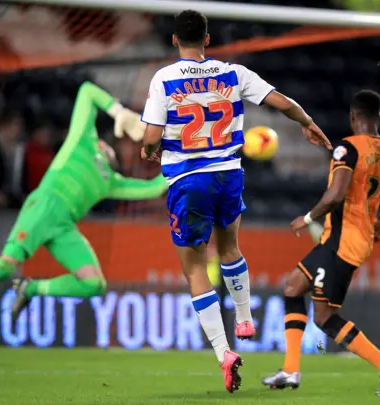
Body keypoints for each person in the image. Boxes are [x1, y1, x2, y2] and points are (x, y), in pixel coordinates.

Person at [140, 9, 331, 393]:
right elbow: (281, 101)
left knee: (194, 266)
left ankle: (223, 352)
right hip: (229, 173)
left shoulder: (164, 78)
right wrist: (307, 122)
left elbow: (149, 136)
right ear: (208, 39)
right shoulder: (234, 73)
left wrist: (150, 151)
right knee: (229, 247)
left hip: (187, 180)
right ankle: (244, 316)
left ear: (174, 39)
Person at [0, 81, 167, 359]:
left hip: (63, 228)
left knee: (95, 284)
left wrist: (182, 159)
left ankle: (32, 288)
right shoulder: (82, 141)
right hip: (43, 208)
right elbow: (86, 91)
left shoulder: (112, 181)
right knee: (4, 267)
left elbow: (154, 187)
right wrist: (118, 111)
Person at [262, 90, 380, 396]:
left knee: (324, 318)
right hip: (354, 239)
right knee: (293, 287)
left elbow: (335, 195)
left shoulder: (347, 149)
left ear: (353, 117)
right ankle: (290, 369)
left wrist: (307, 218)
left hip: (342, 241)